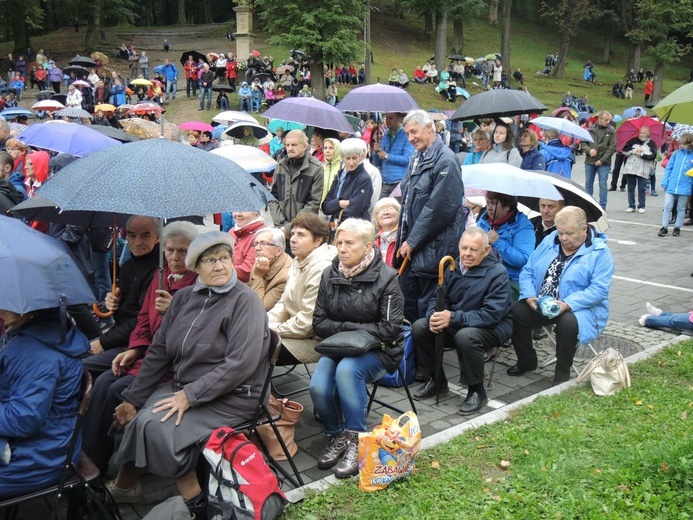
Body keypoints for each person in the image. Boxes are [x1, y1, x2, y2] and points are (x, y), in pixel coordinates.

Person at [107, 232, 269, 517]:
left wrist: (189, 396)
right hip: (187, 385)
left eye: (224, 259)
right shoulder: (183, 298)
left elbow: (240, 363)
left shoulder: (245, 301)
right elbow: (159, 351)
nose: (219, 266)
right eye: (209, 261)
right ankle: (126, 486)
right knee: (140, 414)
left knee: (157, 426)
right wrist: (133, 398)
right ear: (196, 267)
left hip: (236, 394)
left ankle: (196, 505)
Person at [81, 222, 199, 474]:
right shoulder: (161, 275)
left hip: (172, 365)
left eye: (183, 251)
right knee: (102, 382)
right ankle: (87, 453)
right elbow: (144, 319)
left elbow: (191, 338)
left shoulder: (197, 286)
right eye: (170, 250)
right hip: (148, 354)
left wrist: (174, 311)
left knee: (115, 390)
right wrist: (134, 349)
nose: (175, 257)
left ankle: (97, 463)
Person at [310, 218, 404, 478]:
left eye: (349, 243)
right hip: (340, 345)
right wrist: (353, 329)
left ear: (367, 246)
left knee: (347, 372)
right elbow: (319, 323)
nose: (341, 248)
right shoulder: (330, 274)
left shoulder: (386, 277)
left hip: (381, 349)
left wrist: (345, 327)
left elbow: (390, 329)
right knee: (317, 386)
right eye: (338, 242)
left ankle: (356, 437)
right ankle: (336, 433)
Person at [412, 228, 512, 413]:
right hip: (458, 321)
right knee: (420, 327)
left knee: (466, 336)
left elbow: (492, 314)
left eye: (474, 249)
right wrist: (434, 316)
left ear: (486, 250)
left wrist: (452, 317)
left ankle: (477, 391)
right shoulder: (453, 266)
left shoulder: (498, 273)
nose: (467, 254)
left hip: (493, 326)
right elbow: (438, 297)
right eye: (464, 248)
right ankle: (437, 380)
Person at [509, 207, 613, 385]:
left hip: (579, 308)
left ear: (584, 230)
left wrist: (566, 304)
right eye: (561, 232)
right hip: (543, 302)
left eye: (570, 234)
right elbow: (527, 271)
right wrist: (529, 296)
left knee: (567, 323)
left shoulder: (599, 252)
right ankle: (527, 361)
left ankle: (562, 375)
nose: (564, 238)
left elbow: (599, 290)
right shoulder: (550, 241)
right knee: (516, 310)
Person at [0, 307, 90, 498]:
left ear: (27, 309)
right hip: (41, 443)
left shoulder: (38, 353)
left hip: (42, 454)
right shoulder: (29, 333)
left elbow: (21, 420)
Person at [396, 110, 468, 322]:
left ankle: (425, 355)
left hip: (433, 248)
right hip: (414, 247)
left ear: (429, 128)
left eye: (414, 132)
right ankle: (410, 354)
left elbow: (438, 209)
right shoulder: (416, 157)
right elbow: (408, 202)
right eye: (407, 134)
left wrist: (413, 240)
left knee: (426, 311)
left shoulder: (446, 160)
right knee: (408, 304)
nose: (410, 138)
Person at [84, 216, 160, 377]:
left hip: (137, 344)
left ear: (158, 237)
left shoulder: (158, 271)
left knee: (79, 367)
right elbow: (122, 313)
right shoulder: (128, 266)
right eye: (132, 235)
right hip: (120, 336)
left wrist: (103, 342)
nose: (137, 242)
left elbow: (141, 320)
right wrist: (112, 303)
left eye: (145, 236)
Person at [268, 214, 337, 365]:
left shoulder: (321, 268)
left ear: (318, 240)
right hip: (295, 330)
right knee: (246, 336)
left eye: (301, 235)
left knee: (252, 346)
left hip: (314, 341)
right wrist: (265, 321)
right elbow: (284, 303)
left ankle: (255, 387)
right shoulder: (299, 260)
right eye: (292, 234)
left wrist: (270, 328)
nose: (292, 239)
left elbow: (307, 325)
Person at [476, 192, 534, 300]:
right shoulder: (483, 220)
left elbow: (523, 259)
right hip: (483, 276)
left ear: (507, 206)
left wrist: (498, 242)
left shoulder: (523, 225)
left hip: (510, 281)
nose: (489, 208)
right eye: (487, 203)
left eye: (493, 203)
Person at [268, 130, 324, 237]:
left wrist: (290, 227)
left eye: (294, 145)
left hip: (304, 230)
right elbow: (272, 198)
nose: (289, 148)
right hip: (281, 230)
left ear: (304, 146)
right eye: (287, 145)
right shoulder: (280, 166)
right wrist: (281, 224)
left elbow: (313, 203)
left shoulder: (316, 168)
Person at [322, 138, 374, 224]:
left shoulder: (365, 179)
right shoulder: (340, 175)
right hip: (337, 227)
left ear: (360, 157)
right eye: (347, 158)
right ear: (342, 158)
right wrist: (340, 203)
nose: (351, 162)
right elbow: (325, 207)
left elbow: (353, 211)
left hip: (356, 227)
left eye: (354, 158)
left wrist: (335, 212)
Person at [247, 227, 293, 311]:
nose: (257, 248)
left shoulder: (285, 276)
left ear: (279, 250)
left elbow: (260, 309)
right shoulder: (263, 260)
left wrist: (257, 277)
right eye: (255, 243)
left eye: (264, 243)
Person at [371, 112, 415, 198]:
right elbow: (378, 163)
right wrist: (376, 152)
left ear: (399, 119)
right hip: (385, 182)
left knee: (396, 210)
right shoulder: (386, 137)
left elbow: (407, 159)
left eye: (391, 118)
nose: (388, 121)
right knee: (381, 209)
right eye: (386, 118)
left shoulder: (406, 136)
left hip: (399, 182)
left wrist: (387, 156)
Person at [658, 133, 693, 237]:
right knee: (667, 205)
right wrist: (665, 180)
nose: (681, 146)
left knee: (681, 208)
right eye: (680, 143)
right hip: (672, 185)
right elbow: (669, 167)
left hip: (685, 186)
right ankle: (664, 227)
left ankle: (677, 227)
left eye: (684, 144)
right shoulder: (676, 154)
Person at [581, 111, 616, 210]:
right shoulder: (590, 129)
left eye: (609, 119)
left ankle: (602, 206)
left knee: (603, 184)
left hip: (604, 162)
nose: (608, 122)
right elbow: (583, 143)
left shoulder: (611, 130)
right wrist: (589, 150)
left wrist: (602, 160)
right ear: (599, 120)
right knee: (588, 183)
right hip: (590, 161)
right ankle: (588, 204)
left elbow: (612, 147)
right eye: (606, 120)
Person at [622, 126, 657, 214]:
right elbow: (624, 150)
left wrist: (642, 154)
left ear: (648, 134)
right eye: (640, 132)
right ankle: (631, 205)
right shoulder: (633, 141)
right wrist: (635, 150)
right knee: (630, 188)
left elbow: (652, 156)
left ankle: (641, 205)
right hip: (631, 168)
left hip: (643, 169)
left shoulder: (652, 144)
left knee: (642, 188)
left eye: (643, 133)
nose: (641, 135)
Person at [227, 210, 266, 283]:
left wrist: (220, 271)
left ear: (256, 213)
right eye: (235, 209)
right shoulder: (232, 232)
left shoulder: (262, 235)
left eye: (244, 210)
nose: (238, 214)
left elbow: (247, 271)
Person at [372, 197, 400, 267]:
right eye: (381, 210)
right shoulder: (373, 241)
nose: (386, 212)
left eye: (390, 208)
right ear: (376, 217)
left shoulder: (404, 239)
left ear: (399, 213)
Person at [321, 137, 341, 202]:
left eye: (331, 148)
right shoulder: (321, 167)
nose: (327, 151)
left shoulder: (343, 168)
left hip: (336, 208)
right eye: (325, 148)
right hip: (320, 208)